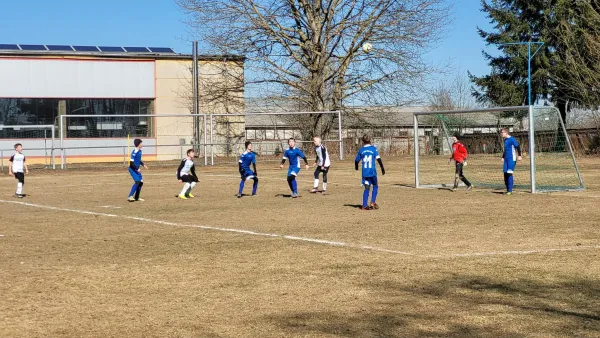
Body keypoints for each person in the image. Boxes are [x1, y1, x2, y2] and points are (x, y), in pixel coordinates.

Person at [355, 135, 385, 210]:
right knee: (375, 185)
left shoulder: (361, 150)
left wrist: (356, 167)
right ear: (370, 140)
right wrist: (382, 168)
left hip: (365, 173)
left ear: (363, 141)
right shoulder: (373, 149)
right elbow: (378, 159)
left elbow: (356, 161)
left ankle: (364, 205)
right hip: (372, 172)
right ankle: (372, 202)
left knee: (367, 188)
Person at [501, 128, 522, 195]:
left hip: (511, 159)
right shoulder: (505, 140)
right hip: (506, 159)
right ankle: (507, 190)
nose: (501, 133)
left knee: (509, 173)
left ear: (506, 133)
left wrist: (519, 155)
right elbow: (506, 150)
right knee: (505, 174)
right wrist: (503, 157)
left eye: (502, 132)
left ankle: (510, 191)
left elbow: (517, 146)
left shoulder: (512, 139)